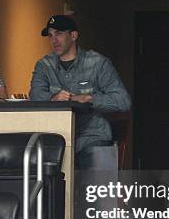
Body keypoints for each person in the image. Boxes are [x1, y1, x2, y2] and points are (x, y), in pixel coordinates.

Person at [29, 15, 131, 168]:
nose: (54, 40)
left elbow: (123, 101)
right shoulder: (44, 65)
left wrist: (89, 99)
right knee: (33, 165)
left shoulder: (98, 63)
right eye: (50, 35)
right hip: (55, 138)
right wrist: (53, 98)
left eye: (59, 34)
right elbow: (34, 95)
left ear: (74, 35)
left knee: (99, 179)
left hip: (92, 137)